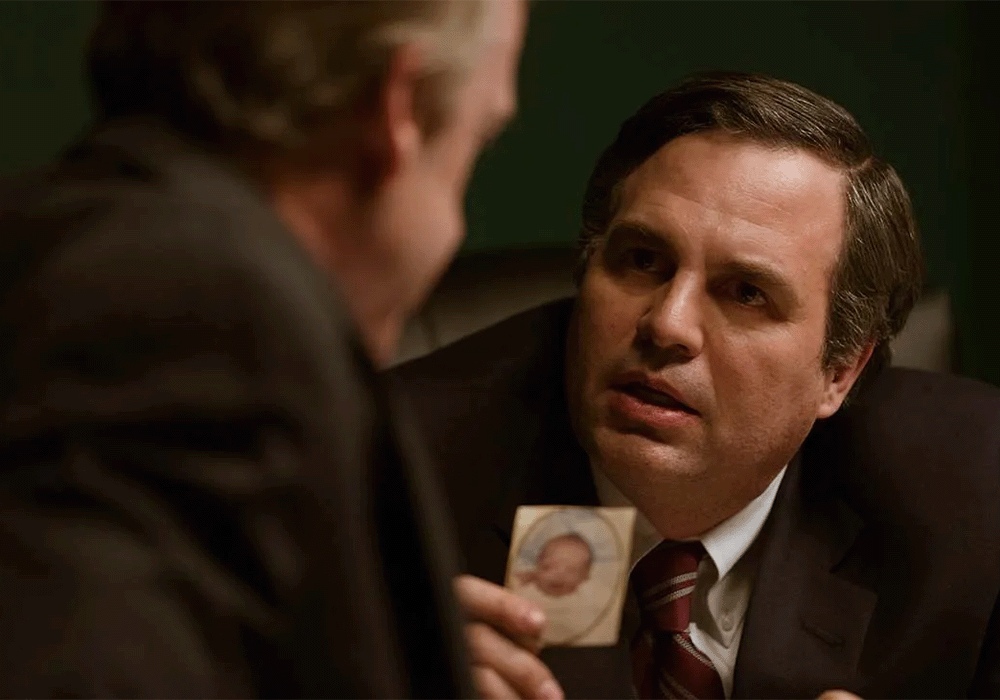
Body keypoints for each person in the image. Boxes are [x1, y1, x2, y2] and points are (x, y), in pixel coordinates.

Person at [397, 72, 1000, 698]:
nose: (667, 324)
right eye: (642, 260)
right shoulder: (395, 472)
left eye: (746, 293)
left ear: (839, 371)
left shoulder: (979, 501)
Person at [0, 0, 525, 696]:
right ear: (396, 110)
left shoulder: (60, 238)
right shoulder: (203, 322)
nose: (452, 227)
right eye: (477, 141)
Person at [516, 533, 594, 597]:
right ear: (537, 567)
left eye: (571, 570)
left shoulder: (585, 598)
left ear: (585, 576)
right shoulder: (526, 588)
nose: (559, 575)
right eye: (548, 567)